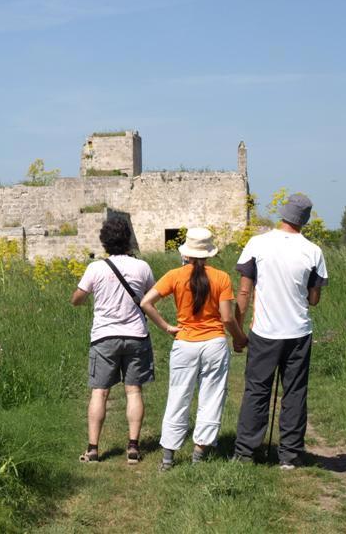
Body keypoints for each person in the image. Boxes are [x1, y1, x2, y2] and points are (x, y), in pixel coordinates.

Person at [232, 193, 328, 469]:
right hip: (298, 331)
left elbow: (244, 290)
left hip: (265, 330)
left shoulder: (257, 243)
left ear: (283, 213)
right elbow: (313, 299)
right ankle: (290, 455)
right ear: (305, 220)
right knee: (295, 391)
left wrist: (237, 330)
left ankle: (245, 452)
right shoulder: (313, 251)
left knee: (256, 390)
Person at [140, 227, 248, 470]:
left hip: (185, 343)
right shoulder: (221, 278)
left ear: (186, 252)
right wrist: (240, 338)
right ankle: (200, 452)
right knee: (212, 396)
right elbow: (228, 318)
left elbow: (146, 302)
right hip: (214, 343)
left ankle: (168, 457)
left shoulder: (175, 275)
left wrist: (167, 327)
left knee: (178, 395)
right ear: (209, 253)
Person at [71, 217, 156, 464]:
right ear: (128, 239)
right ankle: (132, 447)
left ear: (104, 242)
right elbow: (151, 296)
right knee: (133, 391)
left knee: (100, 392)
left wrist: (81, 294)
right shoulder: (142, 267)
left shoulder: (96, 268)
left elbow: (77, 299)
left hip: (104, 336)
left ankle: (93, 448)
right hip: (136, 334)